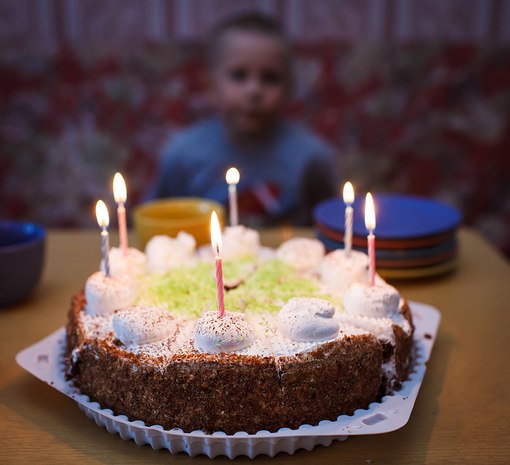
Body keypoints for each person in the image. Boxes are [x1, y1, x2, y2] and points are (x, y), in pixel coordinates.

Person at [147, 12, 337, 226]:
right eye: (239, 75)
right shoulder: (182, 154)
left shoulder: (311, 158)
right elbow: (154, 222)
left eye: (270, 78)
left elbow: (331, 224)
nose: (254, 90)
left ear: (289, 88)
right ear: (210, 86)